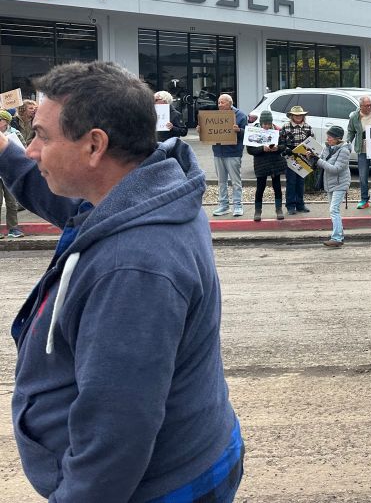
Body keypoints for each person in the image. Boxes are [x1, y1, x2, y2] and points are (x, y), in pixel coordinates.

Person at [0, 61, 242, 502]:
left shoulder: (132, 265)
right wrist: (3, 149)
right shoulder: (144, 193)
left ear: (95, 145)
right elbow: (65, 202)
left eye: (42, 137)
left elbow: (116, 432)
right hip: (194, 447)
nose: (31, 150)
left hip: (160, 487)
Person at [211, 93, 247, 217]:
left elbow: (248, 134)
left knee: (235, 181)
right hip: (218, 152)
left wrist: (239, 130)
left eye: (222, 102)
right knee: (221, 181)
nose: (220, 105)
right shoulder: (214, 116)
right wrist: (202, 130)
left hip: (233, 153)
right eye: (218, 102)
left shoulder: (240, 115)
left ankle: (238, 206)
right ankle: (224, 206)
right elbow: (209, 132)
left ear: (230, 103)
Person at [346, 96, 371, 209]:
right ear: (361, 106)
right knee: (363, 176)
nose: (369, 107)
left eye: (370, 105)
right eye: (367, 105)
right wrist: (348, 142)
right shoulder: (354, 117)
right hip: (362, 149)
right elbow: (351, 131)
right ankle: (364, 199)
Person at [246, 109, 285, 222]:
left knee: (277, 187)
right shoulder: (254, 132)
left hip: (275, 163)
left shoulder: (278, 131)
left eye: (268, 124)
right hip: (261, 163)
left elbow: (284, 146)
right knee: (260, 188)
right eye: (264, 124)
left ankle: (279, 209)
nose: (267, 126)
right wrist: (262, 149)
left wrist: (277, 148)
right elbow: (250, 150)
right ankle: (258, 210)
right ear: (261, 123)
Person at [315, 125, 350, 248]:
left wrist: (318, 160)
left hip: (340, 183)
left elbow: (335, 169)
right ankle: (339, 235)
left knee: (333, 210)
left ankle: (337, 238)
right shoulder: (327, 148)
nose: (328, 139)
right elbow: (320, 161)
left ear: (338, 138)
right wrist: (311, 157)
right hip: (330, 183)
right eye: (328, 136)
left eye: (330, 137)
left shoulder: (344, 151)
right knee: (334, 210)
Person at [279, 105, 313, 215]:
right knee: (291, 182)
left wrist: (309, 152)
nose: (298, 117)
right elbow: (281, 142)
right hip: (290, 158)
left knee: (300, 182)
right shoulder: (285, 127)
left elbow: (312, 143)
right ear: (291, 116)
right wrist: (286, 150)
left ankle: (300, 204)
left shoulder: (308, 127)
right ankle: (290, 205)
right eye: (296, 115)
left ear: (303, 116)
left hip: (303, 158)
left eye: (300, 115)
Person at [0, 109, 25, 238]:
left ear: (6, 121)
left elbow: (23, 149)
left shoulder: (15, 133)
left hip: (9, 172)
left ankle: (13, 228)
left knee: (11, 202)